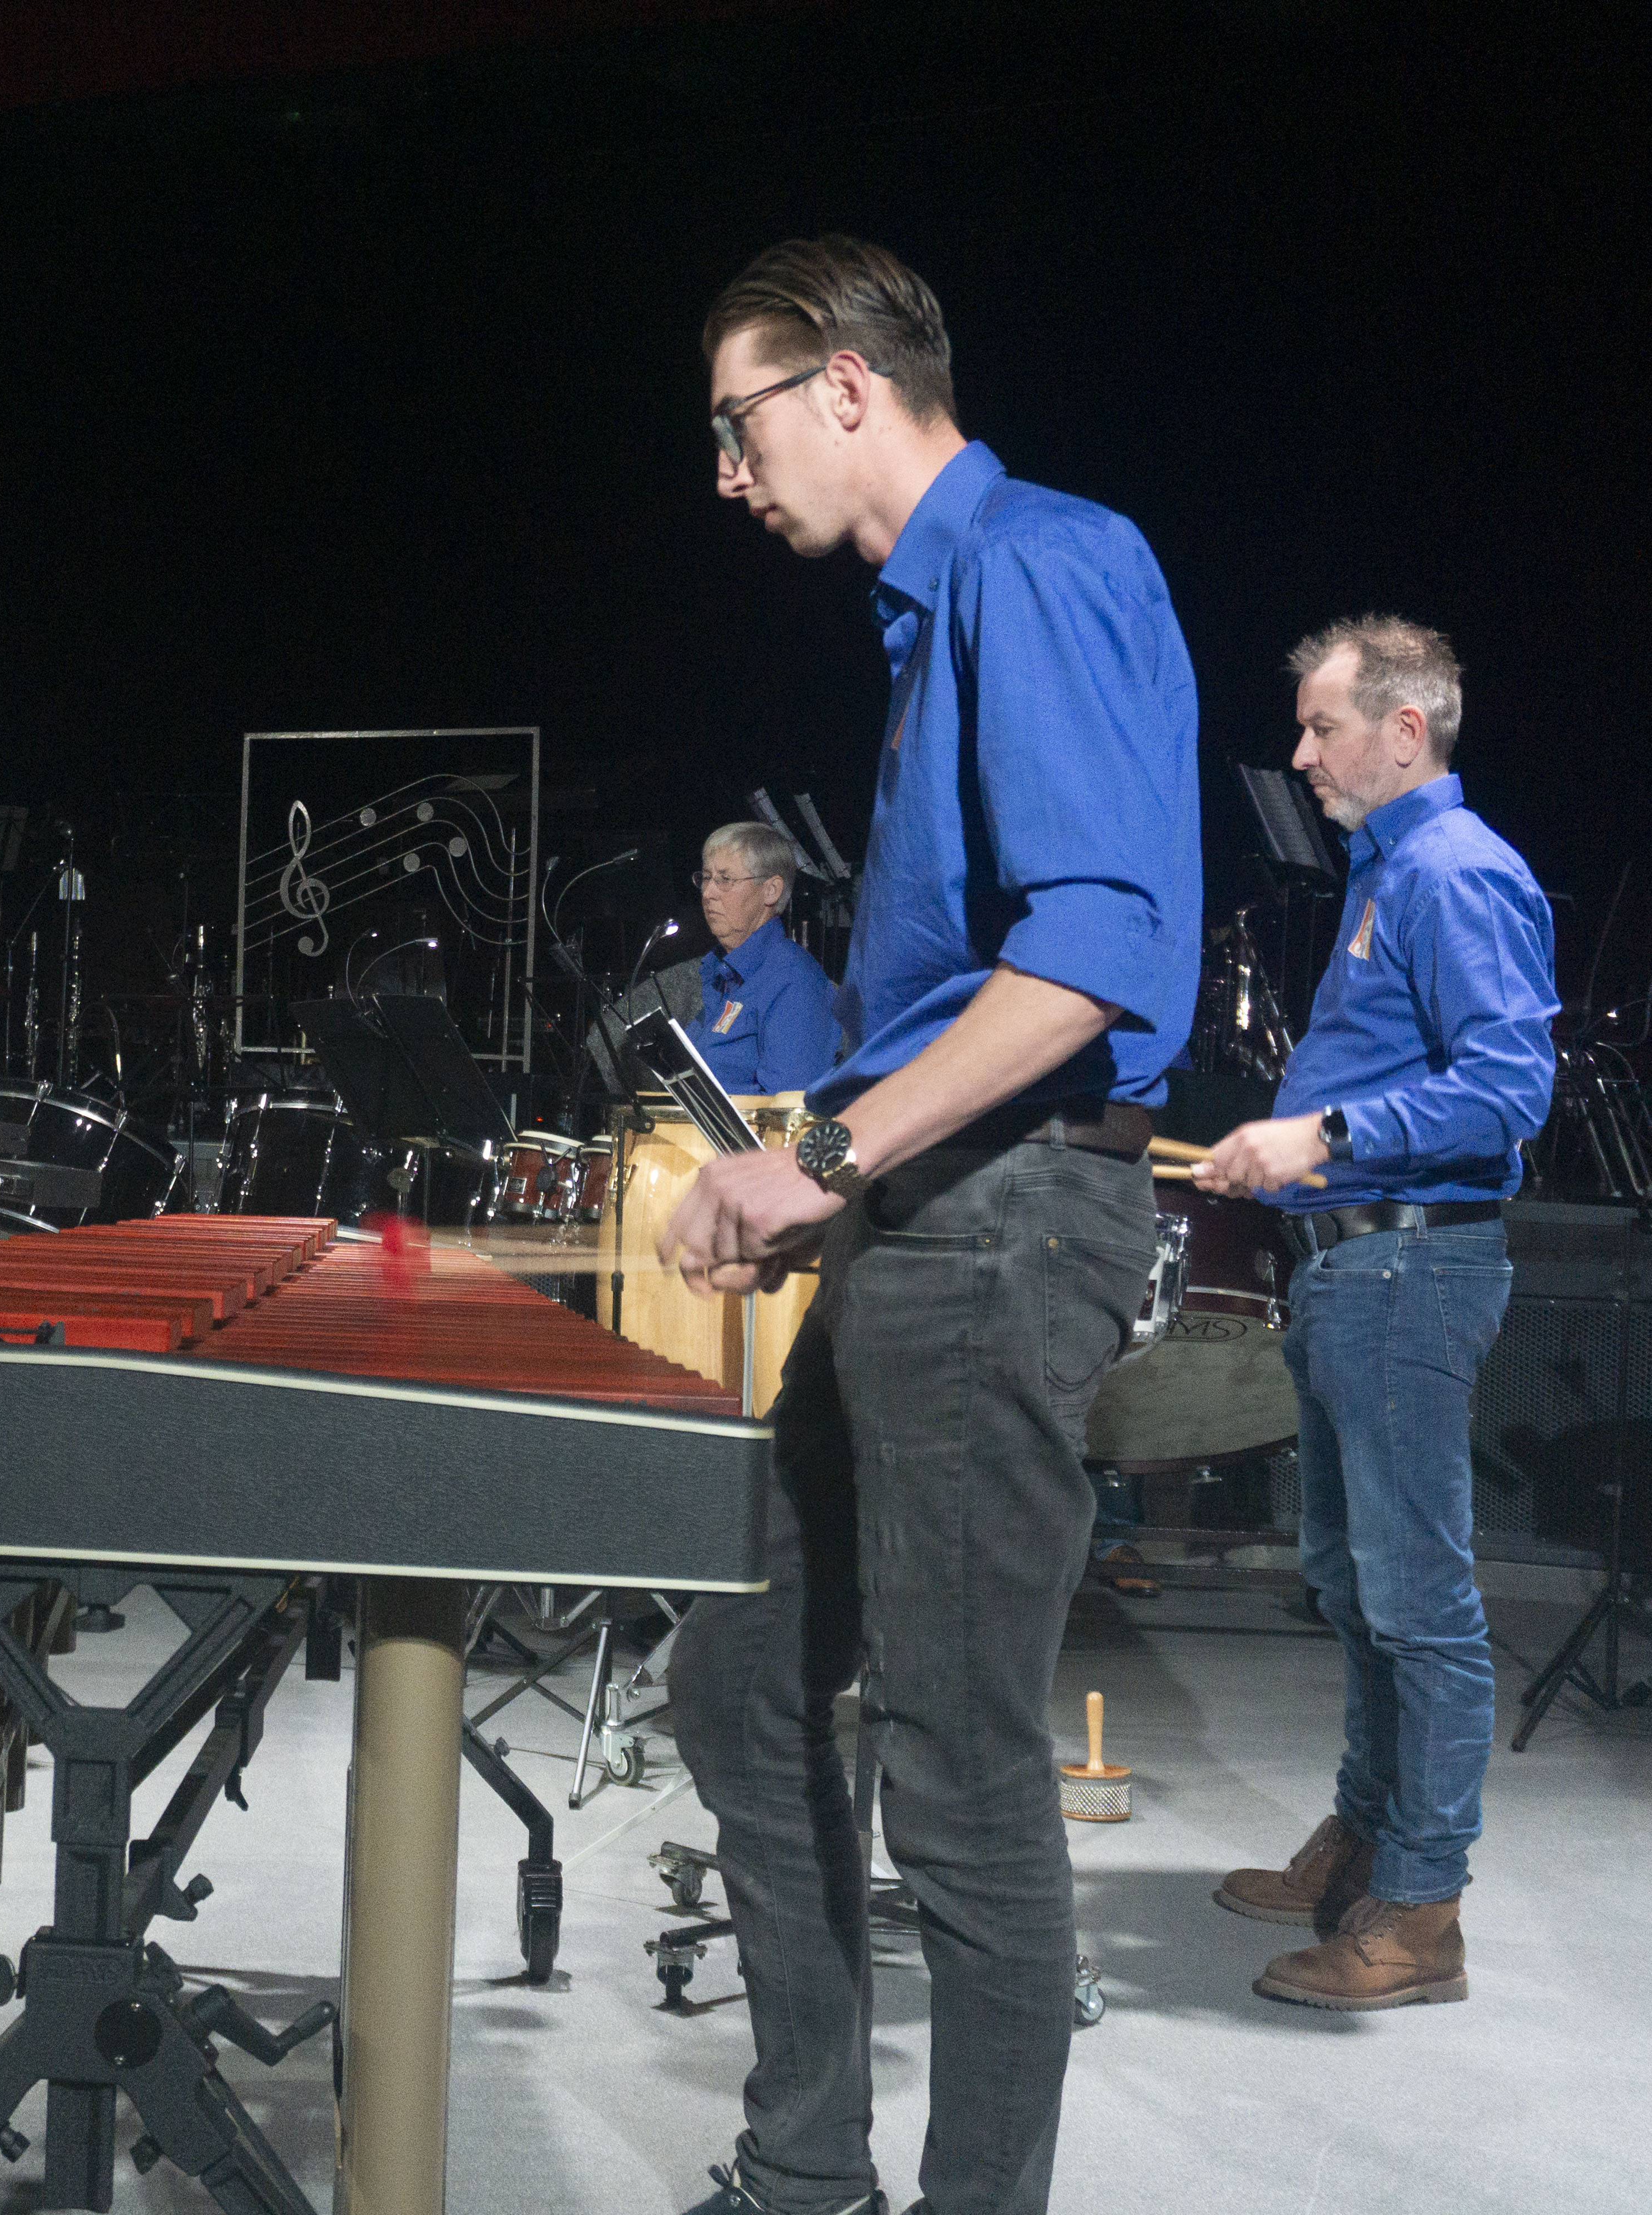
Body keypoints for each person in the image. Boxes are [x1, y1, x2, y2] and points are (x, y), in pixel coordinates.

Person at [660, 236, 1200, 2215]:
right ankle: (809, 2167)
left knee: (961, 1769)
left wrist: (825, 1157)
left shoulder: (1040, 561)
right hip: (935, 1217)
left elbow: (1095, 954)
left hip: (1006, 1225)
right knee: (739, 1681)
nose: (728, 472)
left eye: (740, 422)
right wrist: (849, 1175)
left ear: (845, 383)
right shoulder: (934, 619)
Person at [1195, 617, 1556, 2009]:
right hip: (1352, 1265)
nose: (1300, 753)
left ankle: (1419, 1906)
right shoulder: (1386, 871)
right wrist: (1291, 1151)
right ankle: (1362, 1839)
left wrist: (1328, 1132)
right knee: (1354, 1588)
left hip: (1408, 1269)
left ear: (1404, 731)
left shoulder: (1454, 869)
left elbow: (1505, 1091)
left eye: (1321, 726)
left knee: (1417, 1600)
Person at [694, 821, 842, 1094]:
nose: (708, 894)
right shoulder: (719, 971)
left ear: (771, 890)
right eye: (706, 878)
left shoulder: (794, 980)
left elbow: (790, 1106)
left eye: (725, 880)